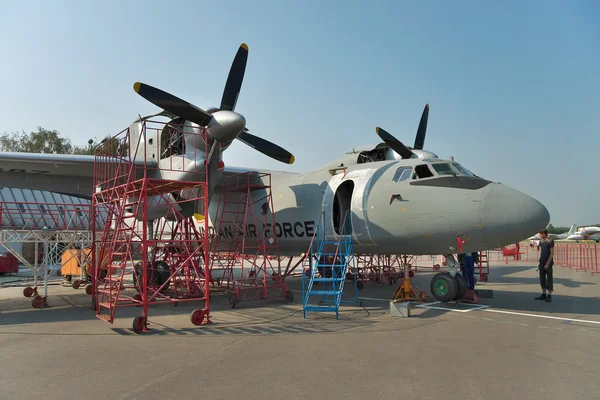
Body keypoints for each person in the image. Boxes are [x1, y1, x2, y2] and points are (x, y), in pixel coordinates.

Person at [535, 229, 554, 302]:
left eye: (540, 234)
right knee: (542, 279)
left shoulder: (550, 241)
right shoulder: (541, 241)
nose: (540, 235)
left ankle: (549, 295)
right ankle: (543, 294)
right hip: (542, 262)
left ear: (544, 234)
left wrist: (547, 263)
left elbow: (552, 253)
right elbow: (541, 251)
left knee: (549, 279)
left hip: (548, 263)